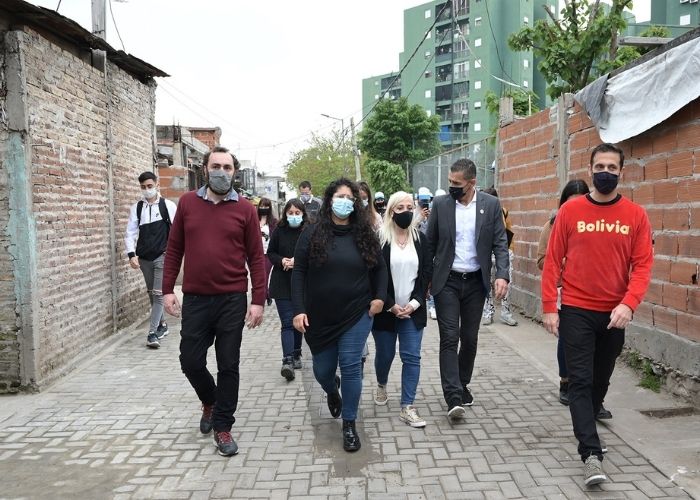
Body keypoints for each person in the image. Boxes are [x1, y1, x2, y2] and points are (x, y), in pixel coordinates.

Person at [541, 143, 653, 486]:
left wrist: (629, 303)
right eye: (600, 166)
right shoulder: (571, 212)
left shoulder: (635, 215)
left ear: (621, 172)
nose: (606, 172)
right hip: (576, 309)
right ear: (590, 170)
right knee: (580, 380)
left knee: (601, 379)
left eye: (612, 167)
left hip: (615, 314)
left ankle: (587, 422)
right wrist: (549, 307)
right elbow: (552, 260)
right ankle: (591, 453)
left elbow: (643, 265)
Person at [162, 146, 266, 457]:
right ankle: (210, 400)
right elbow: (174, 248)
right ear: (206, 169)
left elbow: (256, 258)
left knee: (228, 364)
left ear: (235, 172)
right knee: (190, 361)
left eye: (227, 167)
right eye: (216, 166)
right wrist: (167, 290)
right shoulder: (188, 204)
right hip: (195, 299)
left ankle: (223, 427)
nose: (221, 172)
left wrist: (258, 299)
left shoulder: (246, 209)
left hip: (232, 300)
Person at [292, 178, 387, 452]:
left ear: (355, 203)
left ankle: (349, 424)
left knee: (350, 367)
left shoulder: (364, 233)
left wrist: (379, 298)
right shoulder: (312, 233)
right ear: (330, 200)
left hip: (357, 313)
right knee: (323, 370)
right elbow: (298, 273)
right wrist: (298, 309)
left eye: (350, 197)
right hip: (318, 316)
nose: (345, 201)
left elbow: (380, 268)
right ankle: (332, 390)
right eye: (339, 196)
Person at [426, 159, 510, 420]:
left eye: (456, 183)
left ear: (472, 183)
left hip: (475, 282)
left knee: (470, 338)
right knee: (450, 337)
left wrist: (502, 276)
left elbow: (500, 242)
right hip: (447, 282)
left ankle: (462, 383)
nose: (451, 186)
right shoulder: (440, 204)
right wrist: (426, 279)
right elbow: (430, 243)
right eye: (450, 181)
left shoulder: (491, 205)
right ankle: (452, 396)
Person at [371, 191, 432, 428]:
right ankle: (382, 383)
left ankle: (408, 406)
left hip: (412, 310)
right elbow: (374, 276)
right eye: (400, 208)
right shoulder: (380, 239)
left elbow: (426, 273)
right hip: (387, 310)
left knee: (412, 357)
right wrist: (390, 305)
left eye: (410, 207)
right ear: (391, 211)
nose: (406, 211)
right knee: (385, 355)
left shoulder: (420, 239)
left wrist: (415, 303)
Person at [537, 179, 590, 407]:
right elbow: (542, 261)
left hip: (593, 293)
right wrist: (565, 264)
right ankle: (566, 381)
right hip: (565, 291)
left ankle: (593, 393)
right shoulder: (553, 225)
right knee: (568, 340)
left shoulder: (596, 224)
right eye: (570, 203)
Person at [124, 171, 177, 349]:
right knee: (151, 293)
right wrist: (131, 255)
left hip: (163, 256)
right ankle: (162, 325)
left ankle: (152, 333)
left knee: (158, 294)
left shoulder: (167, 206)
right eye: (143, 187)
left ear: (157, 185)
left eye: (149, 186)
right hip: (145, 258)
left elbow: (178, 231)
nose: (147, 190)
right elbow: (130, 233)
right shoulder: (137, 208)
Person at [267, 198, 307, 381]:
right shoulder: (279, 231)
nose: (293, 216)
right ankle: (288, 360)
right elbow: (271, 252)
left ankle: (297, 353)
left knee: (299, 320)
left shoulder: (308, 231)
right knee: (287, 322)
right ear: (285, 214)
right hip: (281, 282)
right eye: (290, 213)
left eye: (297, 213)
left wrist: (299, 262)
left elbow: (315, 253)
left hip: (303, 283)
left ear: (303, 214)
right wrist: (282, 260)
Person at [481, 186, 518, 327]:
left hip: (503, 253)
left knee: (506, 282)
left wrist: (510, 251)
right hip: (487, 253)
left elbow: (508, 232)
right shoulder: (480, 213)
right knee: (487, 283)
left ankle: (506, 312)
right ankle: (488, 312)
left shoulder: (503, 212)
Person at [257, 197, 277, 306]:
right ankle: (267, 294)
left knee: (264, 275)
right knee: (257, 276)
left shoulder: (273, 222)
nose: (263, 208)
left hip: (268, 254)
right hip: (255, 254)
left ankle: (263, 296)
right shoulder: (254, 219)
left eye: (266, 206)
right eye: (262, 206)